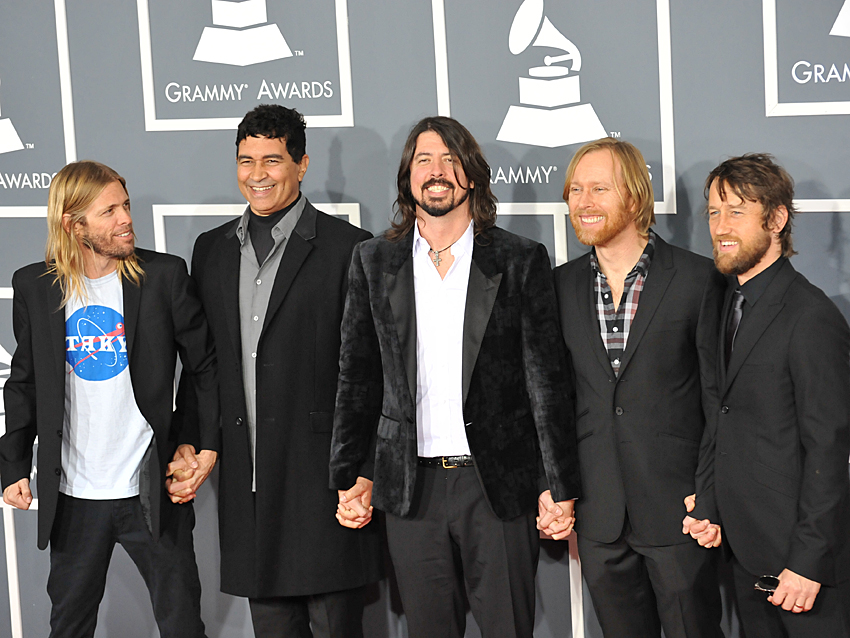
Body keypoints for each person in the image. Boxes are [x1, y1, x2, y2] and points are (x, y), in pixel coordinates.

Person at [329, 115, 580, 638]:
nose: (437, 170)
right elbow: (357, 376)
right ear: (408, 177)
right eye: (424, 159)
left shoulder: (518, 259)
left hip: (496, 485)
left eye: (450, 159)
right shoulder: (374, 261)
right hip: (409, 486)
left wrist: (555, 484)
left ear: (472, 175)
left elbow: (546, 381)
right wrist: (351, 471)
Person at [169, 104, 380, 638]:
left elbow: (369, 373)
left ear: (302, 164)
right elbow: (203, 362)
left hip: (324, 483)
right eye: (245, 160)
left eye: (272, 160)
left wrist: (363, 467)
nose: (257, 175)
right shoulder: (211, 250)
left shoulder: (348, 248)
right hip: (248, 487)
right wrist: (194, 439)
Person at [0, 160, 217, 638]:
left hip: (150, 487)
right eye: (109, 211)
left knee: (183, 626)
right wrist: (13, 462)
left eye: (126, 205)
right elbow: (25, 379)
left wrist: (194, 443)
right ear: (73, 224)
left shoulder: (163, 276)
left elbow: (204, 368)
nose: (126, 219)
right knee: (69, 627)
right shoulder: (36, 286)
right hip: (74, 495)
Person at [553, 137, 724, 638]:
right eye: (575, 190)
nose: (582, 202)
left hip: (680, 513)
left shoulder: (698, 279)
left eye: (599, 189)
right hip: (599, 515)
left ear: (633, 196)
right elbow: (554, 402)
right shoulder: (557, 287)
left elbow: (719, 402)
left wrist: (709, 494)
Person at [684, 153, 850, 637]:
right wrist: (710, 506)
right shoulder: (724, 303)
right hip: (746, 558)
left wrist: (807, 562)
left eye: (737, 210)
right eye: (714, 212)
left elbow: (830, 449)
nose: (720, 226)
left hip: (804, 572)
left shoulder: (810, 316)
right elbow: (723, 416)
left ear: (776, 220)